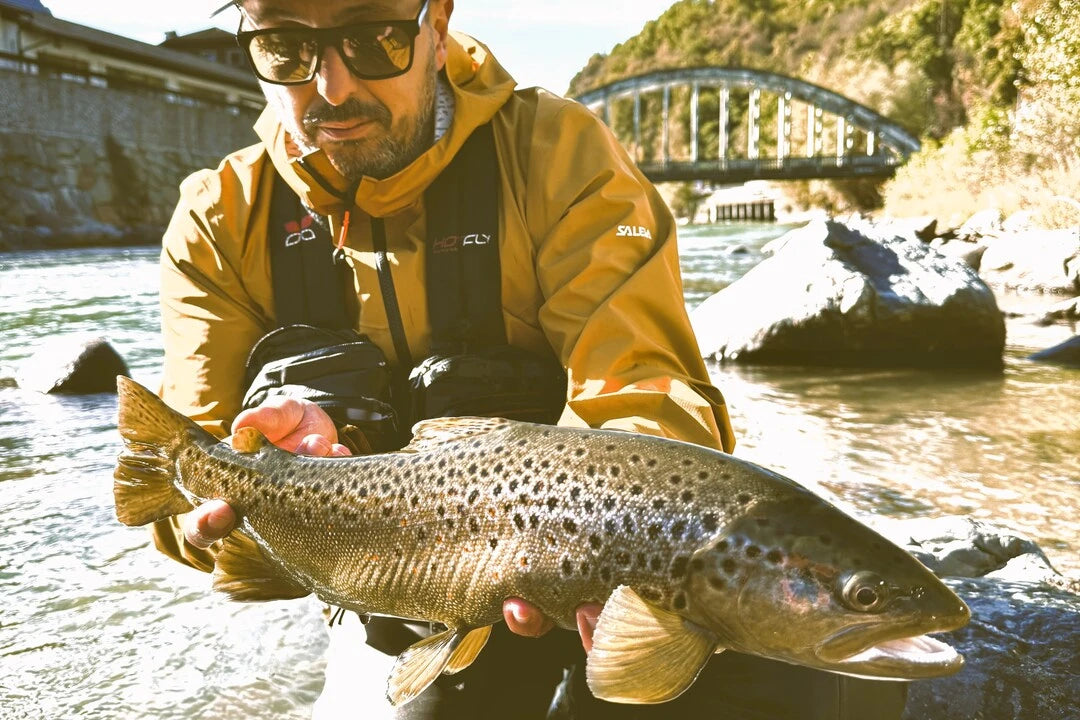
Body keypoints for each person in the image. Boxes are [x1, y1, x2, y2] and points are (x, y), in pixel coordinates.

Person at [148, 0, 906, 718]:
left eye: (374, 38)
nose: (332, 85)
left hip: (598, 569)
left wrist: (602, 543)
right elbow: (175, 489)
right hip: (403, 609)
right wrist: (249, 497)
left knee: (823, 688)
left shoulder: (559, 155)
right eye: (285, 46)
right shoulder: (220, 222)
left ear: (437, 25)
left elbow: (646, 389)